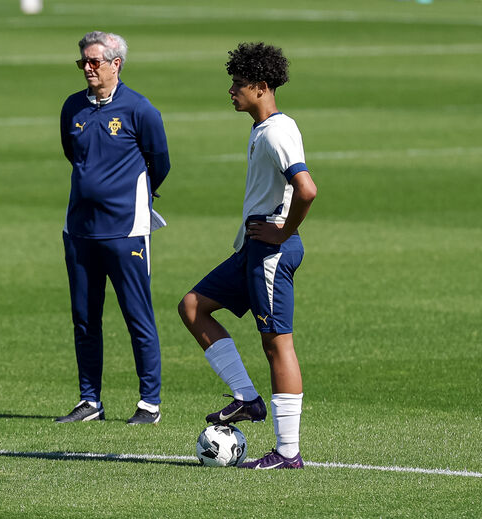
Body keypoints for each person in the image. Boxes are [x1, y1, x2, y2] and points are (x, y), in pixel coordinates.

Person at [178, 42, 317, 469]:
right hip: (252, 249)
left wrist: (282, 232)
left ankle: (288, 452)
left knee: (277, 344)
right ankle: (247, 398)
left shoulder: (276, 132)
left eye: (238, 84)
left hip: (270, 250)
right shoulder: (263, 128)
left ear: (260, 86)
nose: (231, 90)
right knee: (193, 306)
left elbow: (307, 189)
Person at [56, 31, 170, 425]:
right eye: (82, 62)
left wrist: (133, 196)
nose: (87, 68)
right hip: (79, 230)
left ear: (115, 64)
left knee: (138, 316)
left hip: (126, 231)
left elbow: (160, 162)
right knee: (85, 319)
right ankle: (90, 401)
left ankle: (149, 403)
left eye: (94, 62)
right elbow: (73, 155)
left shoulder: (140, 109)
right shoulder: (72, 107)